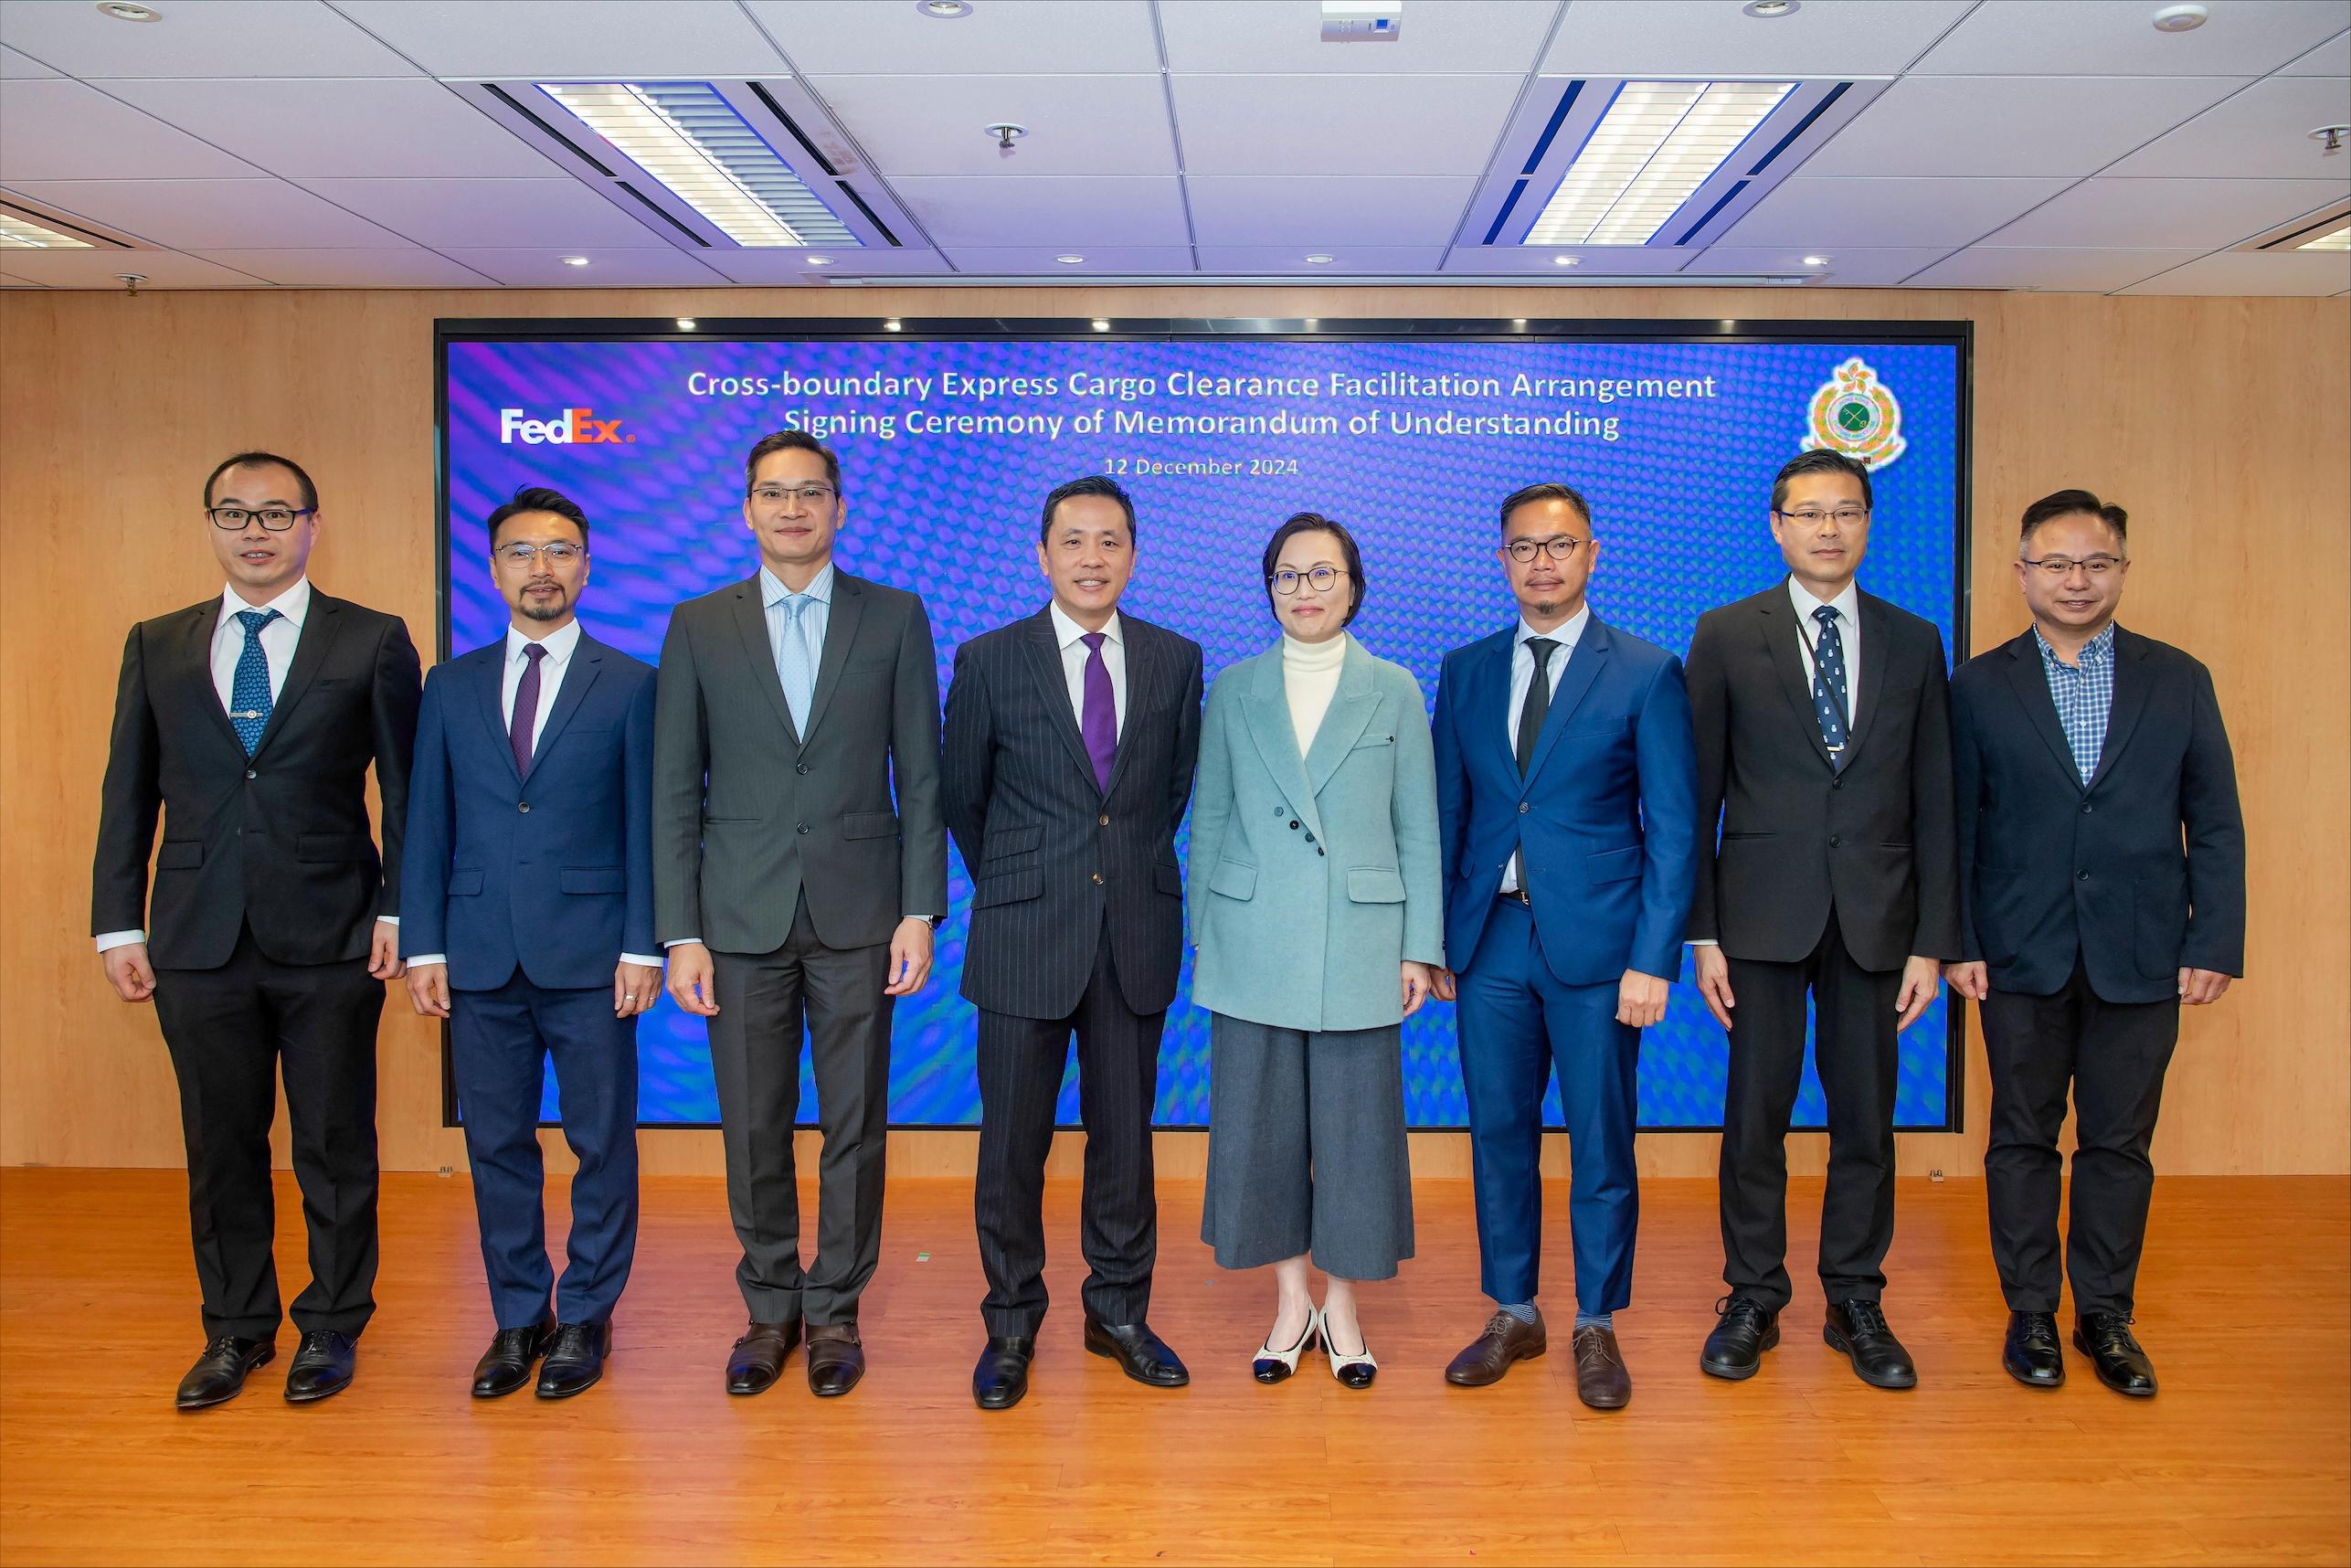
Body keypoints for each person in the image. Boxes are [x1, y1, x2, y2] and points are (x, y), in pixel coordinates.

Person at [92, 451, 420, 1410]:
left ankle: (330, 1326)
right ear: (211, 525)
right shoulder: (157, 643)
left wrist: (400, 909)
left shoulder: (369, 640)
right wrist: (117, 922)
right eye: (234, 514)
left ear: (313, 525)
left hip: (333, 935)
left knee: (333, 1142)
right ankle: (235, 1331)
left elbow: (403, 797)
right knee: (220, 1144)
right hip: (195, 940)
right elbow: (128, 794)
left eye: (276, 514)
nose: (255, 532)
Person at [651, 429, 946, 1399]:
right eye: (773, 494)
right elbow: (672, 788)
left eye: (810, 493)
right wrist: (680, 930)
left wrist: (919, 911)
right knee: (753, 1124)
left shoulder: (894, 616)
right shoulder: (698, 623)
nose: (791, 510)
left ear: (839, 508)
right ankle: (767, 1310)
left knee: (855, 1125)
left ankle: (835, 1315)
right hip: (736, 918)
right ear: (746, 509)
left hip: (862, 914)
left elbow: (921, 771)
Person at [1947, 490, 2243, 1398]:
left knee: (2118, 1143)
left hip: (2142, 953)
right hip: (2015, 953)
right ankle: (2030, 1312)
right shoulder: (1977, 684)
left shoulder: (2177, 677)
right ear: (2021, 573)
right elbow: (1952, 826)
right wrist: (1955, 939)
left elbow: (2215, 821)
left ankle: (2104, 1317)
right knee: (2021, 1138)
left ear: (2120, 569)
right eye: (2055, 563)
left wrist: (2214, 940)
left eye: (2094, 563)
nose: (2074, 580)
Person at [1686, 448, 1960, 1391]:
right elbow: (1698, 792)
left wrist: (1933, 938)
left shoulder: (1912, 639)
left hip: (1880, 922)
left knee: (1865, 1123)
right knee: (1751, 1118)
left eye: (1845, 512)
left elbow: (1936, 798)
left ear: (1867, 522)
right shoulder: (1724, 634)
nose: (1827, 529)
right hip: (1758, 920)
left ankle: (1854, 1298)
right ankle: (1752, 1296)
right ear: (1776, 526)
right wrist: (1701, 932)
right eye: (1807, 514)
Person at [1430, 482, 1698, 1408]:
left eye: (1559, 546)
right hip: (1489, 942)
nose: (1540, 563)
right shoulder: (1463, 671)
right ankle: (1513, 1309)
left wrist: (1652, 958)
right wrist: (1434, 943)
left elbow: (1672, 828)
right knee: (1496, 1135)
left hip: (1600, 950)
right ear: (1500, 560)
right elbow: (1448, 815)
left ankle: (1594, 1321)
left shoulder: (1644, 671)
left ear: (1592, 555)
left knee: (1598, 1139)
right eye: (1522, 548)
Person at [943, 476, 1204, 1411]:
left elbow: (1168, 794)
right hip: (1022, 933)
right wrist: (1021, 880)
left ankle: (1117, 1312)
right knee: (1012, 1144)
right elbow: (961, 797)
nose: (1092, 559)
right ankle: (1010, 1324)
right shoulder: (988, 658)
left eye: (1110, 542)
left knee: (1124, 1141)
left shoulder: (1176, 660)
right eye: (1074, 542)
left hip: (1132, 928)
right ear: (1042, 553)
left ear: (1133, 554)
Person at [400, 485, 659, 1401]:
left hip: (593, 956)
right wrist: (423, 946)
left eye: (558, 551)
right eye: (520, 551)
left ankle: (586, 1314)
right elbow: (425, 821)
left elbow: (649, 825)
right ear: (493, 566)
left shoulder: (631, 683)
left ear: (586, 566)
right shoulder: (450, 685)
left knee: (600, 1143)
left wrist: (645, 946)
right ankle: (519, 1316)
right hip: (475, 956)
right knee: (497, 1143)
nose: (539, 569)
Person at [1188, 513, 1442, 1391]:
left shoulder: (1395, 689)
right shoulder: (1234, 689)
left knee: (1355, 1137)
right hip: (1251, 938)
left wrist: (1421, 946)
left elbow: (1419, 829)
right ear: (1268, 589)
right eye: (1289, 575)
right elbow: (1210, 818)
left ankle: (1344, 1309)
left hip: (1361, 942)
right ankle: (1290, 1303)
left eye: (1322, 573)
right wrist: (1203, 938)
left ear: (1354, 585)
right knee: (1258, 1133)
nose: (1305, 589)